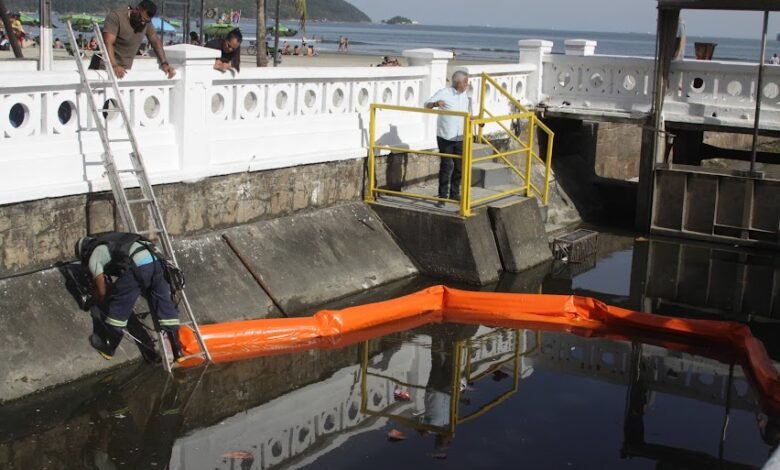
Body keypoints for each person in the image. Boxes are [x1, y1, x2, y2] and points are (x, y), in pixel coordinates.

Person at [75, 232, 183, 361]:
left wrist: (96, 299)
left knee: (119, 306)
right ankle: (178, 352)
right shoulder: (114, 242)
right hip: (159, 262)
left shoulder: (94, 255)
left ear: (84, 252)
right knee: (165, 307)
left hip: (140, 265)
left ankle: (108, 348)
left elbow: (101, 290)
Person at [90, 0, 176, 80]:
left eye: (146, 21)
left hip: (124, 71)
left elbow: (155, 41)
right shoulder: (116, 17)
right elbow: (108, 42)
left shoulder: (146, 24)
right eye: (142, 19)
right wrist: (114, 65)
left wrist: (165, 64)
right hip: (103, 68)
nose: (143, 23)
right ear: (136, 10)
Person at [424, 70, 471, 207]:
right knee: (447, 166)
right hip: (446, 136)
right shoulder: (444, 93)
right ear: (458, 83)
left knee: (459, 166)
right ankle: (442, 196)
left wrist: (475, 120)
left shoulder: (465, 95)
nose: (467, 85)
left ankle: (454, 193)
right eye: (465, 82)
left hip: (461, 136)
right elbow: (426, 104)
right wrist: (435, 104)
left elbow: (466, 113)